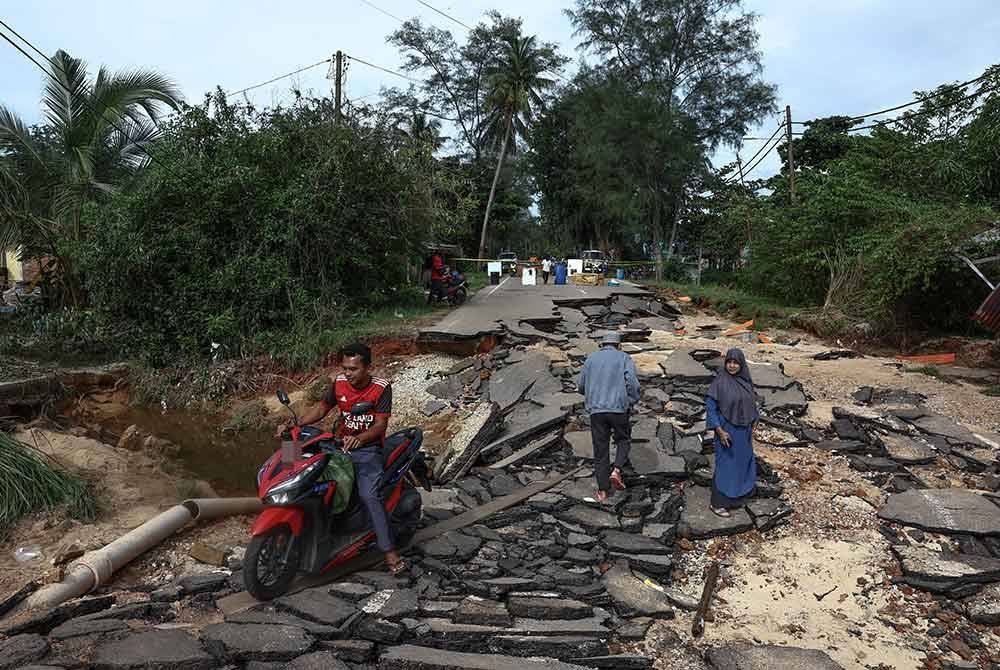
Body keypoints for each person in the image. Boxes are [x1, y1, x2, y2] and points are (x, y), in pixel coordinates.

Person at [275, 342, 405, 574]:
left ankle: (389, 551)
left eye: (353, 369)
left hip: (368, 449)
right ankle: (295, 529)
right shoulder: (340, 383)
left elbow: (380, 425)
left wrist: (361, 439)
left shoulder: (382, 388)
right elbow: (321, 408)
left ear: (367, 368)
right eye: (345, 368)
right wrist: (296, 423)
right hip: (339, 445)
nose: (348, 373)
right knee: (298, 471)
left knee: (369, 495)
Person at [577, 332, 641, 503]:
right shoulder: (624, 358)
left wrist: (591, 394)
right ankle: (617, 470)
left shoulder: (591, 359)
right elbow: (632, 383)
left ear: (602, 344)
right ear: (618, 345)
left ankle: (603, 491)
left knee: (600, 449)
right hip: (619, 408)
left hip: (596, 410)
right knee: (623, 439)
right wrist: (632, 400)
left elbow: (581, 385)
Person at [705, 348, 759, 518]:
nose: (732, 366)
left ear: (741, 364)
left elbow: (751, 403)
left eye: (736, 362)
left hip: (744, 431)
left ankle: (736, 499)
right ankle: (718, 503)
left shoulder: (745, 381)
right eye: (729, 362)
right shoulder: (719, 382)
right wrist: (720, 431)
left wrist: (755, 419)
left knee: (742, 463)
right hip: (727, 431)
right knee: (726, 466)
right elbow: (711, 408)